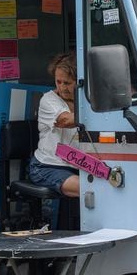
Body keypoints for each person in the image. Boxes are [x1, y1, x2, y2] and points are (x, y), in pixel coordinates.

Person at [28, 52, 80, 198]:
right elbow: (65, 121)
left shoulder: (86, 100)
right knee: (89, 188)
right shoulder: (48, 99)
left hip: (82, 166)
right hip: (48, 166)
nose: (62, 87)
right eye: (58, 82)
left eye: (68, 83)